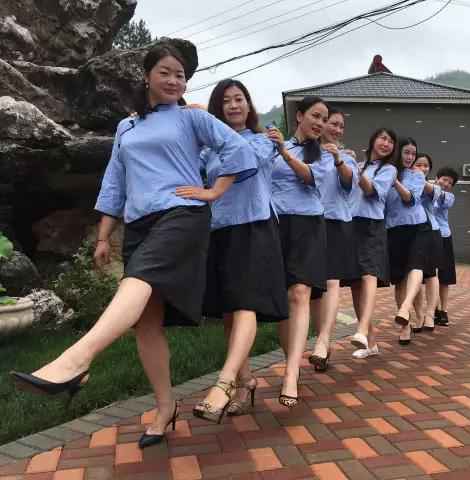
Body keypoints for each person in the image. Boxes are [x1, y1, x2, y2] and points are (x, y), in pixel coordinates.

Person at [10, 42, 253, 449]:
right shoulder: (127, 127)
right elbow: (115, 182)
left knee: (137, 279)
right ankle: (165, 407)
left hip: (181, 214)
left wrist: (213, 191)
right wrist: (104, 236)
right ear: (147, 76)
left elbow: (240, 149)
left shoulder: (192, 117)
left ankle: (76, 359)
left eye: (180, 75)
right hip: (140, 223)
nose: (174, 80)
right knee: (146, 321)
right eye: (165, 72)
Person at [175, 79, 288, 422]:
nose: (234, 105)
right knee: (228, 311)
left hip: (255, 227)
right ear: (218, 108)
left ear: (249, 105)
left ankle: (222, 384)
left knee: (244, 304)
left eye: (239, 99)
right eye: (226, 101)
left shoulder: (262, 141)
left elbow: (243, 162)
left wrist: (209, 123)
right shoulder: (208, 151)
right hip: (220, 231)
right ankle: (245, 381)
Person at [271, 96, 333, 407]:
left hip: (307, 225)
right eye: (315, 116)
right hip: (274, 225)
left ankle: (291, 373)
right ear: (299, 116)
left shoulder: (323, 155)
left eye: (324, 119)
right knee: (284, 300)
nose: (320, 123)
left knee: (299, 293)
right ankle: (291, 362)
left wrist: (283, 153)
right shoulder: (273, 146)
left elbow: (309, 177)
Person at [309, 107, 358, 372]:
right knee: (313, 289)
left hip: (336, 222)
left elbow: (349, 182)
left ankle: (323, 340)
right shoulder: (307, 151)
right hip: (309, 221)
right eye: (332, 123)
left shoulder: (346, 157)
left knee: (331, 281)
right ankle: (323, 342)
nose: (337, 129)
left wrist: (338, 159)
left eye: (341, 126)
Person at [347, 128, 398, 359]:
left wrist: (356, 171)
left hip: (371, 225)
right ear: (373, 140)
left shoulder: (389, 170)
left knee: (369, 275)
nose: (386, 144)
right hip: (351, 224)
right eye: (383, 138)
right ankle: (372, 343)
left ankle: (361, 330)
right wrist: (344, 162)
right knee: (355, 284)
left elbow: (369, 190)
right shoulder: (359, 165)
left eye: (390, 141)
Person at [385, 138, 428, 345]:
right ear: (397, 152)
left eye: (413, 153)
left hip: (417, 226)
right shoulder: (385, 171)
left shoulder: (417, 175)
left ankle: (405, 307)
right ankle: (405, 326)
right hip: (393, 229)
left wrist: (394, 182)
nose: (410, 157)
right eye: (406, 152)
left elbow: (410, 199)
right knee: (400, 279)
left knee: (416, 267)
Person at [412, 153, 442, 332]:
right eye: (418, 165)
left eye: (426, 166)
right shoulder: (404, 181)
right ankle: (419, 315)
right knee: (412, 275)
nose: (422, 169)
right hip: (410, 232)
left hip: (430, 231)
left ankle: (430, 313)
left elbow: (430, 191)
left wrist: (418, 178)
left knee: (430, 274)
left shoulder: (431, 186)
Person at [432, 166, 459, 326]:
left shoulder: (449, 196)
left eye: (450, 182)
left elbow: (442, 200)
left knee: (445, 276)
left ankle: (444, 310)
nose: (446, 184)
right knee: (431, 276)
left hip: (443, 236)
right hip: (428, 236)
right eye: (444, 179)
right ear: (437, 178)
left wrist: (429, 187)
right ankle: (433, 309)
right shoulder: (426, 191)